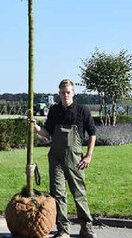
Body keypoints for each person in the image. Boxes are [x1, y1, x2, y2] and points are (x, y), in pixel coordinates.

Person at [32, 79, 97, 238]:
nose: (65, 95)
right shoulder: (54, 111)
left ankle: (86, 227)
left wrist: (88, 156)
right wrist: (36, 128)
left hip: (76, 160)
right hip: (56, 160)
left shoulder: (82, 110)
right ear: (59, 93)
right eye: (62, 92)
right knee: (58, 194)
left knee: (79, 193)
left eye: (68, 92)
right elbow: (47, 133)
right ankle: (63, 230)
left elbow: (92, 134)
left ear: (73, 93)